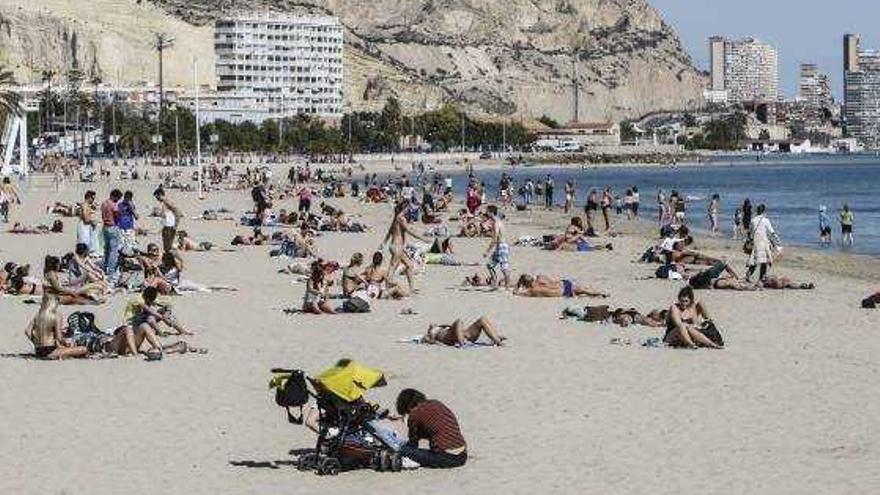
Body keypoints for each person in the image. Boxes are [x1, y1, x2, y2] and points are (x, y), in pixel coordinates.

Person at [394, 389, 467, 469]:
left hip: (446, 457)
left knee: (402, 450)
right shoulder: (436, 403)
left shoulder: (414, 413)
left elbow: (413, 443)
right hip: (462, 455)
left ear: (407, 406)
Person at [24, 290, 89, 360]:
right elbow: (59, 338)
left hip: (38, 350)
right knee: (83, 349)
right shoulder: (56, 316)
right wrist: (66, 343)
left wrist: (36, 342)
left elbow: (27, 331)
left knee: (63, 349)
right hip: (50, 351)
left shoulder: (38, 315)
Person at [381, 200, 428, 294]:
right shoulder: (401, 218)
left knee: (409, 265)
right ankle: (387, 287)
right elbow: (409, 230)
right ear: (405, 208)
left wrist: (384, 242)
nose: (409, 210)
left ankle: (412, 288)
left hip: (396, 246)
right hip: (397, 247)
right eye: (408, 208)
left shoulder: (396, 217)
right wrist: (423, 239)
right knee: (393, 268)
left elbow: (390, 230)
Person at [746, 204, 780, 282]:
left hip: (756, 241)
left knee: (755, 260)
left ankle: (748, 275)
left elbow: (749, 231)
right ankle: (761, 278)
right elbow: (771, 231)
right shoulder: (766, 220)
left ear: (757, 211)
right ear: (764, 211)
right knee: (764, 261)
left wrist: (749, 239)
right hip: (764, 242)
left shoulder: (753, 220)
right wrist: (777, 240)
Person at [421, 317, 505, 346]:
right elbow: (426, 340)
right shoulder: (431, 333)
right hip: (452, 338)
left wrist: (442, 325)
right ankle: (462, 344)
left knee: (482, 320)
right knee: (459, 321)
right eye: (431, 326)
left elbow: (451, 326)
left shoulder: (442, 327)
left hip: (465, 335)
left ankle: (496, 339)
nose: (432, 324)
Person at [483, 205, 511, 289]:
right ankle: (494, 283)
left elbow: (495, 239)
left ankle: (507, 286)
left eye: (487, 211)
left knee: (504, 267)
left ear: (491, 212)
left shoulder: (496, 223)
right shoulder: (498, 221)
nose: (486, 213)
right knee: (489, 265)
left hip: (502, 246)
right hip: (500, 246)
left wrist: (487, 251)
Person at [514, 274, 608, 298]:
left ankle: (597, 293)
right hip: (564, 284)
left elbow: (516, 293)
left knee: (583, 292)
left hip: (563, 292)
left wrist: (517, 285)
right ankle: (598, 293)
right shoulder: (540, 278)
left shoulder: (532, 290)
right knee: (584, 290)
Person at [101, 189, 122, 283]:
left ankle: (105, 266)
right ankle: (111, 270)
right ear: (114, 196)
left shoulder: (104, 203)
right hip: (112, 226)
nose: (118, 200)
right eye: (118, 198)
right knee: (113, 250)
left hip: (105, 226)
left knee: (107, 248)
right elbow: (117, 214)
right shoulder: (113, 205)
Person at [154, 187, 182, 253]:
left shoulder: (167, 202)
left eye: (157, 197)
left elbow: (177, 211)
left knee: (168, 246)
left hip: (170, 227)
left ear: (160, 195)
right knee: (166, 246)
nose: (156, 199)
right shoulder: (164, 202)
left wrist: (176, 225)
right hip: (167, 226)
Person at [117, 191, 139, 256]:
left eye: (129, 198)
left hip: (129, 226)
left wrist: (132, 208)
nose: (128, 200)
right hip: (121, 226)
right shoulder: (120, 205)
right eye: (127, 198)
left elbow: (136, 217)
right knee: (121, 242)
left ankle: (130, 253)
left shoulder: (131, 205)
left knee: (130, 241)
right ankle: (122, 254)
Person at [77, 190, 99, 255]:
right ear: (89, 197)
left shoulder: (87, 205)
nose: (93, 200)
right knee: (84, 243)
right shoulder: (85, 206)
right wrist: (93, 222)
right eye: (93, 198)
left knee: (87, 243)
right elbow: (86, 219)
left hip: (86, 226)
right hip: (83, 226)